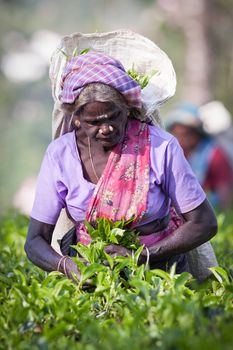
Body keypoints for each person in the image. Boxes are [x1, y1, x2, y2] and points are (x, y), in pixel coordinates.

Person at [25, 41, 218, 283]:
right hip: (89, 276)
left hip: (158, 271)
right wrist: (68, 267)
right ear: (76, 120)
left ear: (127, 108)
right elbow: (34, 241)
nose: (106, 128)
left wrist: (143, 255)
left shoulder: (160, 147)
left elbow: (204, 223)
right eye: (93, 122)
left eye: (113, 117)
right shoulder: (60, 155)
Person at [166, 102, 233, 210]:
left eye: (187, 134)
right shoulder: (173, 154)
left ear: (197, 133)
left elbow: (224, 195)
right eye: (177, 134)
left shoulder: (214, 155)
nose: (182, 139)